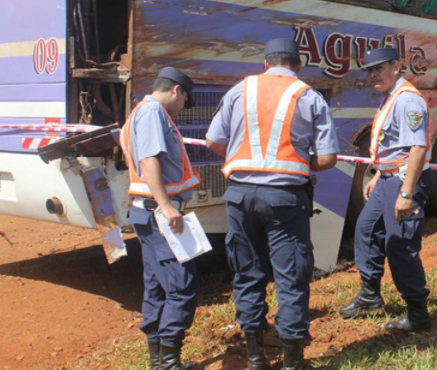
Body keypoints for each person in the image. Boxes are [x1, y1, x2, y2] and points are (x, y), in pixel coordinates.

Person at [206, 38, 338, 370]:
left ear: (266, 64)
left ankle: (255, 358)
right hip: (284, 198)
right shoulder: (308, 96)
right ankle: (293, 364)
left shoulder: (240, 90)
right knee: (290, 275)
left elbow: (212, 141)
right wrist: (300, 164)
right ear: (297, 65)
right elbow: (328, 157)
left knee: (247, 273)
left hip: (239, 195)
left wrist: (244, 160)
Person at [339, 47, 435, 332]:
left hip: (405, 181)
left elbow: (418, 148)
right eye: (369, 70)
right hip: (387, 179)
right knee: (366, 230)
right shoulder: (391, 98)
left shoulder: (408, 100)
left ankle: (418, 313)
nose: (373, 75)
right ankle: (370, 296)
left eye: (378, 68)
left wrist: (406, 193)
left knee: (399, 244)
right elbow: (395, 144)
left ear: (396, 66)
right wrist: (379, 174)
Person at [119, 67, 201, 370]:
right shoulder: (153, 112)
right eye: (184, 102)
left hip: (144, 212)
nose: (181, 109)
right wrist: (167, 206)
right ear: (177, 91)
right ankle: (168, 362)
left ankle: (158, 362)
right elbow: (149, 158)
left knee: (155, 285)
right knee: (182, 286)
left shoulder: (138, 112)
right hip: (158, 213)